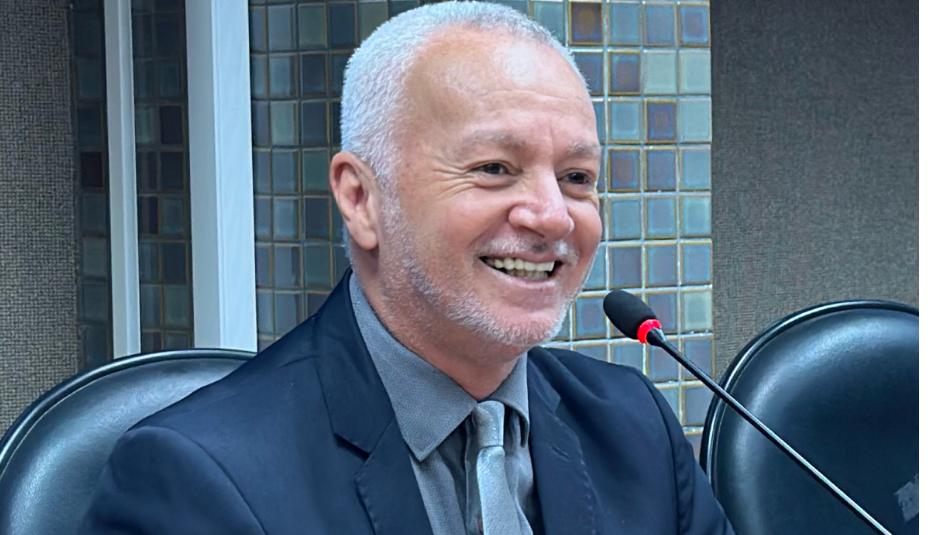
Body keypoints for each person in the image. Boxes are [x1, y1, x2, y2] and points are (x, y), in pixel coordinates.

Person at [80, 2, 734, 534]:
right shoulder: (198, 475)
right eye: (494, 168)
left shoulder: (635, 429)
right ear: (361, 199)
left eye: (577, 177)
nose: (552, 216)